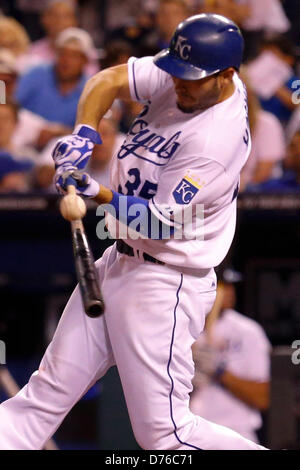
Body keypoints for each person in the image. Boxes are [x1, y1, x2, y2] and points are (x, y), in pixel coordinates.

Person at [0, 14, 267, 450]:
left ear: (226, 76)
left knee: (166, 435)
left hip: (165, 279)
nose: (178, 84)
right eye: (177, 72)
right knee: (42, 397)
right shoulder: (181, 74)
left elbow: (160, 223)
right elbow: (107, 81)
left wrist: (95, 190)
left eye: (192, 79)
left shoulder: (217, 142)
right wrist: (85, 135)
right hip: (120, 261)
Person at [190, 269, 271, 443]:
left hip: (236, 435)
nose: (228, 292)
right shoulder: (185, 328)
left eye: (230, 286)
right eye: (221, 285)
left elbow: (262, 397)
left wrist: (220, 372)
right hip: (193, 434)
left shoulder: (247, 331)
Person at [15, 27, 92, 129]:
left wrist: (60, 134)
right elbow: (10, 103)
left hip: (69, 142)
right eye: (62, 54)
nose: (66, 60)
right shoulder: (37, 73)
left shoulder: (91, 88)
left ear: (85, 60)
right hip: (25, 137)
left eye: (74, 56)